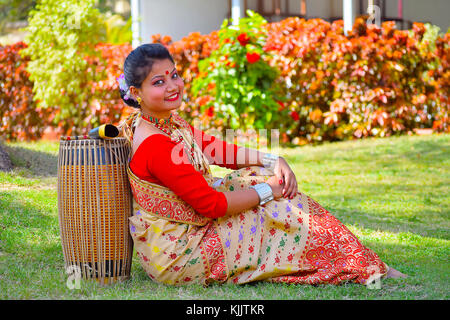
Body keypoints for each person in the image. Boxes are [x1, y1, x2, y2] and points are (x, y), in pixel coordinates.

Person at [118, 43, 406, 286]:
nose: (173, 86)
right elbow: (211, 206)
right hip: (180, 253)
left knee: (257, 177)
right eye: (159, 82)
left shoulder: (164, 122)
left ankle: (355, 260)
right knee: (274, 210)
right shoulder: (155, 143)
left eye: (174, 75)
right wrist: (269, 191)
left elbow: (216, 150)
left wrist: (272, 160)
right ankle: (358, 265)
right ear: (136, 92)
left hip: (187, 231)